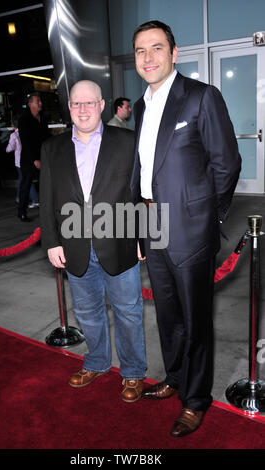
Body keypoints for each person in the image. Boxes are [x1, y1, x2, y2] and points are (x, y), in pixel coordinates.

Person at [130, 20, 241, 436]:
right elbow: (143, 172)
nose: (148, 58)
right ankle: (175, 377)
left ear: (174, 53)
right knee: (167, 313)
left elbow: (226, 164)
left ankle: (195, 399)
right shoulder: (140, 107)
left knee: (195, 320)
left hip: (192, 227)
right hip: (152, 221)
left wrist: (209, 218)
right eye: (140, 51)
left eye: (156, 48)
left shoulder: (200, 97)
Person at [40, 80, 147, 402]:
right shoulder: (52, 148)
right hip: (74, 245)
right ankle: (97, 362)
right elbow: (47, 200)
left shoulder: (128, 141)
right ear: (69, 108)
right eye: (76, 103)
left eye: (89, 103)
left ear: (102, 105)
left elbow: (142, 193)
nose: (83, 109)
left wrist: (146, 236)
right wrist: (51, 242)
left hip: (119, 244)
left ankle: (132, 373)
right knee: (87, 312)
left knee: (129, 313)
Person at [18, 92, 50, 221]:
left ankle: (47, 211)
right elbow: (25, 141)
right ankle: (22, 212)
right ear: (30, 104)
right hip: (29, 159)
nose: (40, 103)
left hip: (43, 157)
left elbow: (46, 136)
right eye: (38, 101)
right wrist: (34, 159)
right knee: (26, 185)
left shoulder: (42, 117)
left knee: (46, 184)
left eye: (40, 101)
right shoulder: (24, 119)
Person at [6, 118, 39, 205]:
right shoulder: (28, 133)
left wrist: (6, 149)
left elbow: (10, 148)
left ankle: (34, 199)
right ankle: (20, 197)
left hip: (20, 161)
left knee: (25, 179)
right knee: (23, 179)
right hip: (29, 159)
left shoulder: (14, 135)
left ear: (13, 126)